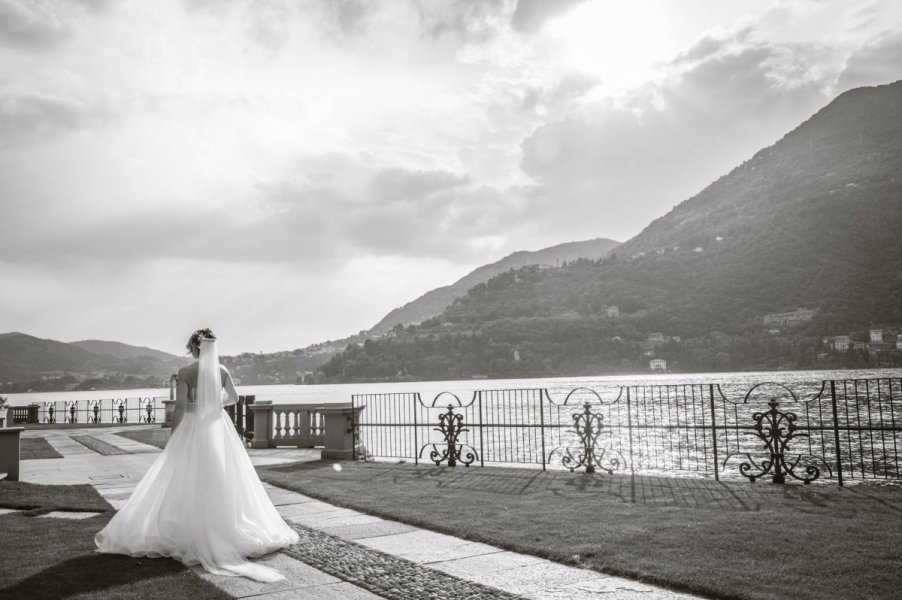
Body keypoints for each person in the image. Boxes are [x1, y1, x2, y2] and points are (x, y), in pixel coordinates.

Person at [95, 329, 299, 582]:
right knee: (222, 475)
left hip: (193, 427)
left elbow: (180, 406)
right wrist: (213, 405)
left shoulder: (186, 372)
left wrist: (175, 432)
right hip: (217, 426)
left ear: (194, 347)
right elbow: (234, 398)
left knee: (186, 476)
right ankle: (225, 528)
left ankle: (187, 530)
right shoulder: (222, 370)